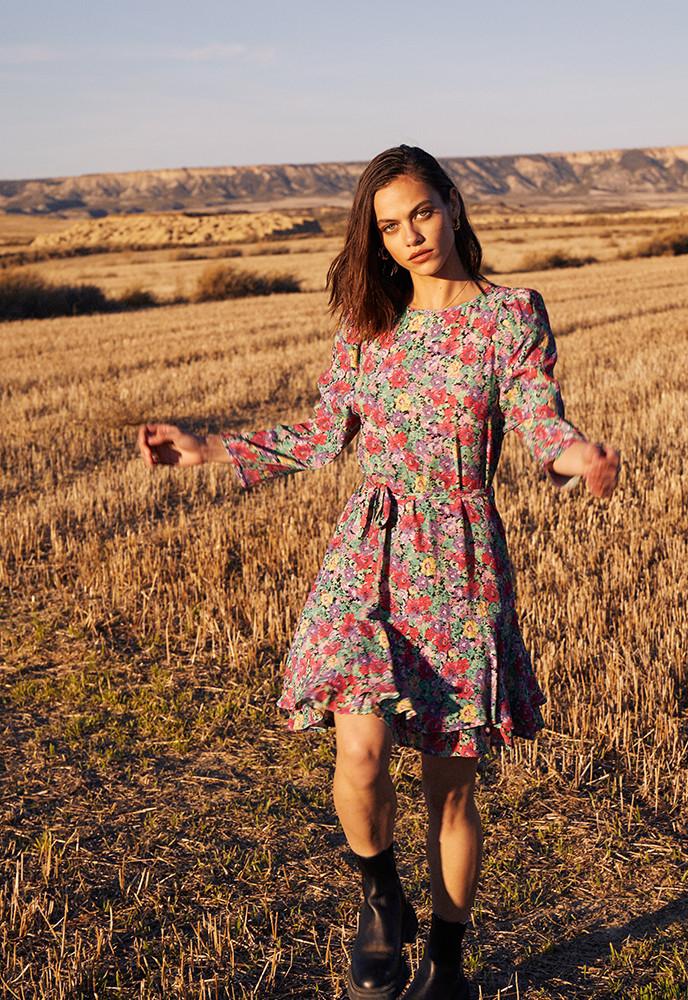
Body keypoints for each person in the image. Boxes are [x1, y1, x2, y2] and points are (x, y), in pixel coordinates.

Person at [138, 144, 620, 1000]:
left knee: (448, 788)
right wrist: (209, 446)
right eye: (389, 226)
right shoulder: (368, 327)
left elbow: (542, 420)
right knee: (358, 752)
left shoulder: (511, 314)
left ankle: (447, 962)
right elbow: (323, 436)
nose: (409, 236)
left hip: (460, 564)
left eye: (422, 213)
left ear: (454, 205)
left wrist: (576, 455)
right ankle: (381, 896)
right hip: (367, 554)